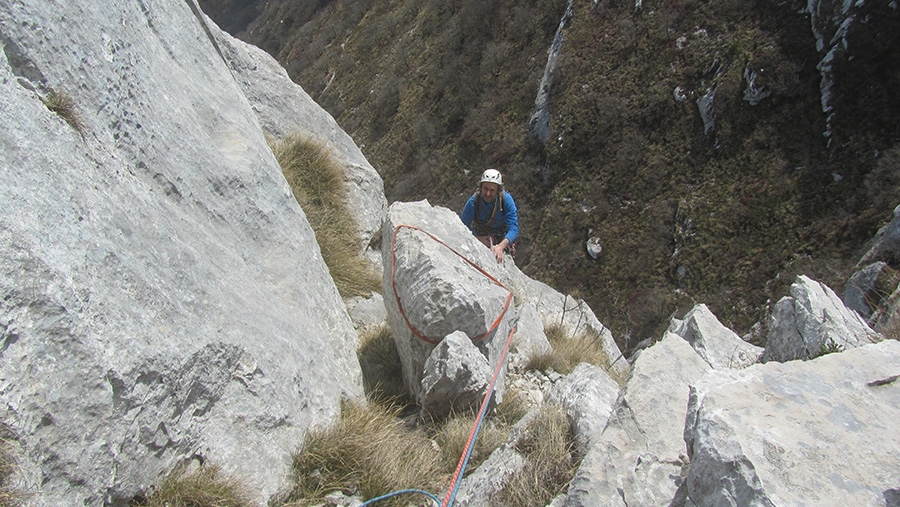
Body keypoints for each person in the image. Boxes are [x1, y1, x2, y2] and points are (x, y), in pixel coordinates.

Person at [460, 169, 519, 263]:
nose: (488, 194)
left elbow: (514, 229)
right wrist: (478, 239)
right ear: (481, 187)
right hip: (479, 235)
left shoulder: (505, 200)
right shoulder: (474, 201)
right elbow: (462, 226)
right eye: (485, 189)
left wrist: (500, 247)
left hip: (500, 238)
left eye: (492, 190)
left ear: (498, 191)